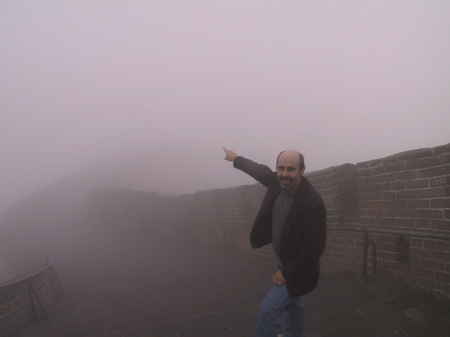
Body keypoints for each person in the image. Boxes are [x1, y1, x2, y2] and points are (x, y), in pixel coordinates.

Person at [223, 147, 327, 337]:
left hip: (299, 270)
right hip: (283, 259)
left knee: (268, 310)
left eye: (291, 169)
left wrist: (286, 273)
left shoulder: (313, 205)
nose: (284, 174)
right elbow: (258, 170)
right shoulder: (277, 182)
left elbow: (315, 250)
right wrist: (236, 159)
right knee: (293, 306)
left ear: (302, 170)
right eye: (280, 168)